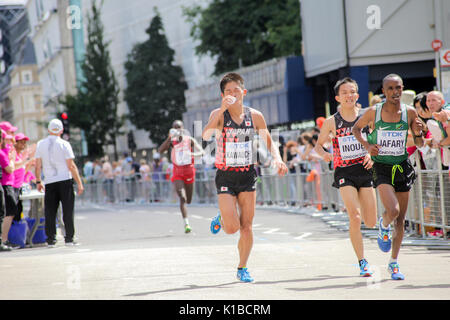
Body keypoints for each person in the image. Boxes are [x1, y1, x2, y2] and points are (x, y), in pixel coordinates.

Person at [202, 72, 288, 282]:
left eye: (236, 90)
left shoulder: (255, 116)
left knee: (247, 226)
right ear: (222, 95)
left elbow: (269, 141)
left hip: (247, 174)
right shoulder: (219, 114)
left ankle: (242, 267)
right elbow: (205, 136)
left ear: (244, 91)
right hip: (225, 175)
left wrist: (278, 159)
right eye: (228, 91)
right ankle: (222, 217)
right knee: (232, 228)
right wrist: (221, 109)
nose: (233, 94)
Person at [352, 74, 424, 280]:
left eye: (398, 88)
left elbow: (419, 145)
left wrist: (418, 134)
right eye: (391, 88)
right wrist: (367, 146)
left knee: (400, 219)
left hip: (402, 166)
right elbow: (355, 129)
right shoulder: (373, 112)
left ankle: (393, 263)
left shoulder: (409, 113)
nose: (395, 92)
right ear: (383, 91)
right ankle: (383, 226)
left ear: (402, 89)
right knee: (392, 210)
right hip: (382, 166)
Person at [315, 77, 377, 277]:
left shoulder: (367, 116)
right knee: (355, 216)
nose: (349, 95)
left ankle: (383, 228)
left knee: (370, 221)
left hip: (365, 169)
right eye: (345, 92)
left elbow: (377, 141)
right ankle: (362, 261)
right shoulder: (332, 121)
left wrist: (370, 154)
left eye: (352, 92)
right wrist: (326, 155)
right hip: (344, 172)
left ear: (357, 95)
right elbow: (319, 145)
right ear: (337, 98)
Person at [35, 119, 84, 247]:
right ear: (61, 131)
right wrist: (79, 183)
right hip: (64, 180)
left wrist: (38, 181)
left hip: (50, 181)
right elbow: (71, 166)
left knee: (50, 211)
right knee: (67, 210)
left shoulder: (40, 144)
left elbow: (37, 165)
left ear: (49, 130)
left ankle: (50, 239)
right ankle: (69, 238)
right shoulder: (64, 144)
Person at [158, 120, 204, 233]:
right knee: (182, 198)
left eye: (179, 127)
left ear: (183, 128)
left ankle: (186, 214)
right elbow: (160, 150)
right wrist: (169, 138)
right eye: (175, 127)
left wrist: (193, 154)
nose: (177, 129)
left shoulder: (189, 140)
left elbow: (202, 151)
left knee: (188, 200)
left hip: (189, 172)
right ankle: (186, 224)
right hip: (178, 173)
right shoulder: (172, 141)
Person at [0, 130, 15, 251]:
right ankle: (3, 239)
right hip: (5, 184)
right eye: (8, 139)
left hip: (6, 184)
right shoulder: (2, 153)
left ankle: (3, 240)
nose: (12, 141)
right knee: (6, 213)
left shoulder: (4, 152)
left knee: (7, 212)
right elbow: (10, 169)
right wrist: (12, 160)